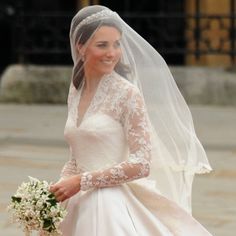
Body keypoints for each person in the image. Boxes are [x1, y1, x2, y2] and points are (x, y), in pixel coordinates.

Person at [50, 5, 213, 236]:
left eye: (117, 44)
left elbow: (141, 163)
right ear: (81, 46)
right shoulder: (76, 89)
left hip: (110, 203)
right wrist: (58, 188)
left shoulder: (127, 94)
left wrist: (81, 181)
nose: (112, 52)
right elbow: (76, 156)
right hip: (76, 199)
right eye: (102, 45)